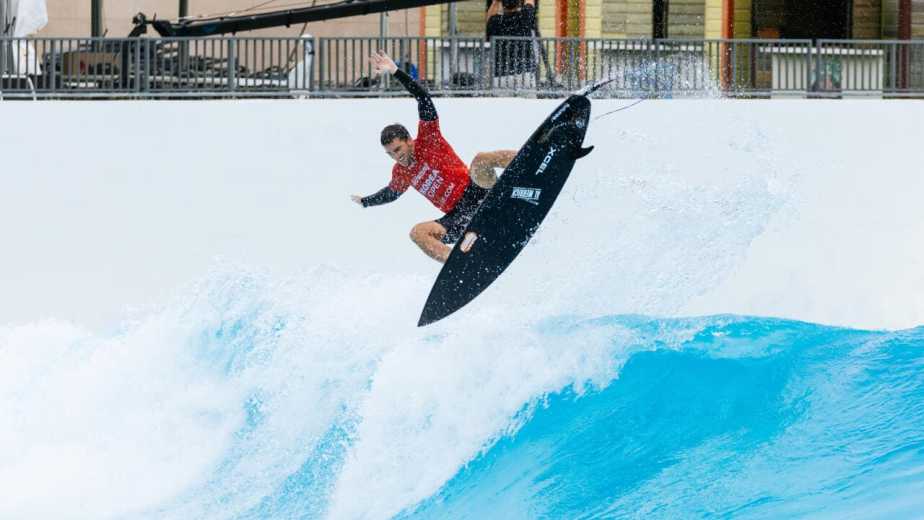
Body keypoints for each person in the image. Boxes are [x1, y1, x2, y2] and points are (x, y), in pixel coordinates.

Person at [351, 50, 517, 264]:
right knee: (417, 233)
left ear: (409, 140)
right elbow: (391, 194)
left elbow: (423, 98)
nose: (396, 157)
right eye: (390, 154)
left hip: (477, 192)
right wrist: (366, 202)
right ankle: (459, 264)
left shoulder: (429, 139)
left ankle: (530, 163)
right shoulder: (401, 172)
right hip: (459, 218)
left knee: (481, 159)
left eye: (398, 149)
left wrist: (395, 71)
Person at [486, 0, 538, 90]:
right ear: (519, 4)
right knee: (529, 103)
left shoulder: (495, 21)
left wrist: (495, 2)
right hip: (524, 74)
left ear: (502, 5)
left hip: (500, 75)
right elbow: (530, 2)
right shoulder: (524, 17)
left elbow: (489, 19)